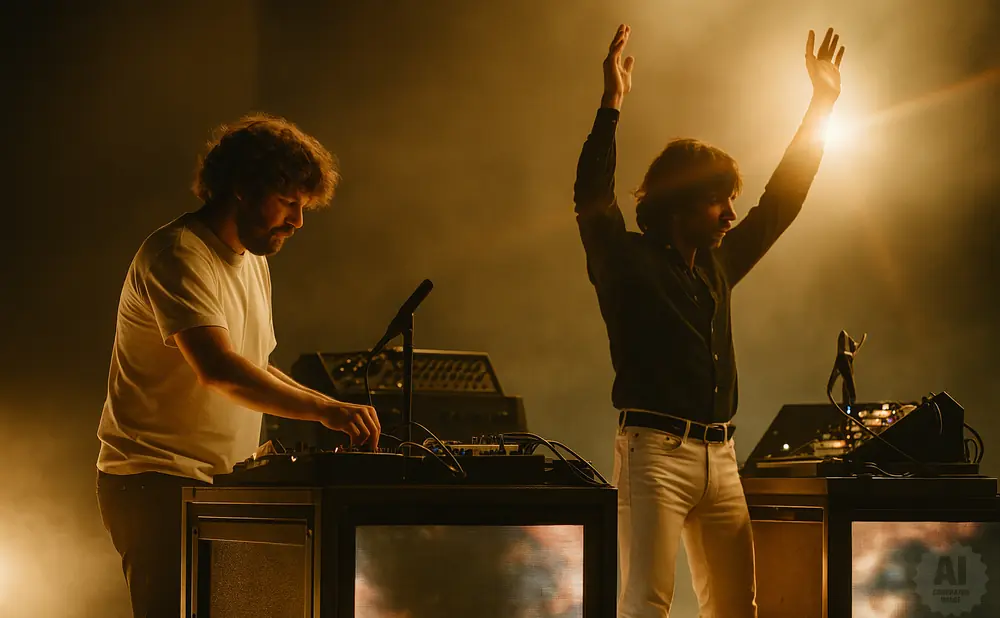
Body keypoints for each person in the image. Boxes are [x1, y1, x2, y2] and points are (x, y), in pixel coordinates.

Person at [573, 24, 845, 618]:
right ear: (679, 202)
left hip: (722, 458)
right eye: (718, 200)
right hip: (655, 454)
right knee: (647, 603)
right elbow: (592, 196)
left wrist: (821, 103)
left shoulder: (718, 267)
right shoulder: (625, 264)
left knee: (735, 607)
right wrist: (611, 103)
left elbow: (782, 201)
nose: (730, 214)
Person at [95, 113, 381, 617]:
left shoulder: (254, 262)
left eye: (303, 206)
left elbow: (255, 365)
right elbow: (220, 369)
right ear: (243, 188)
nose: (297, 221)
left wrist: (332, 404)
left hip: (216, 486)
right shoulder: (178, 254)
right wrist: (325, 411)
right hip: (155, 483)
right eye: (289, 202)